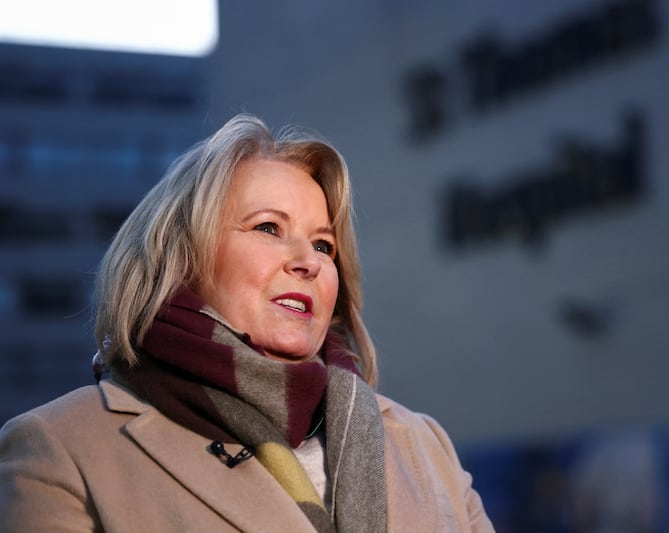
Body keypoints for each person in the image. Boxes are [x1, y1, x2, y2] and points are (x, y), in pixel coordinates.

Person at [0, 114, 494, 532]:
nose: (309, 261)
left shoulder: (425, 444)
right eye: (268, 228)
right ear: (182, 258)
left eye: (324, 245)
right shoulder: (60, 447)